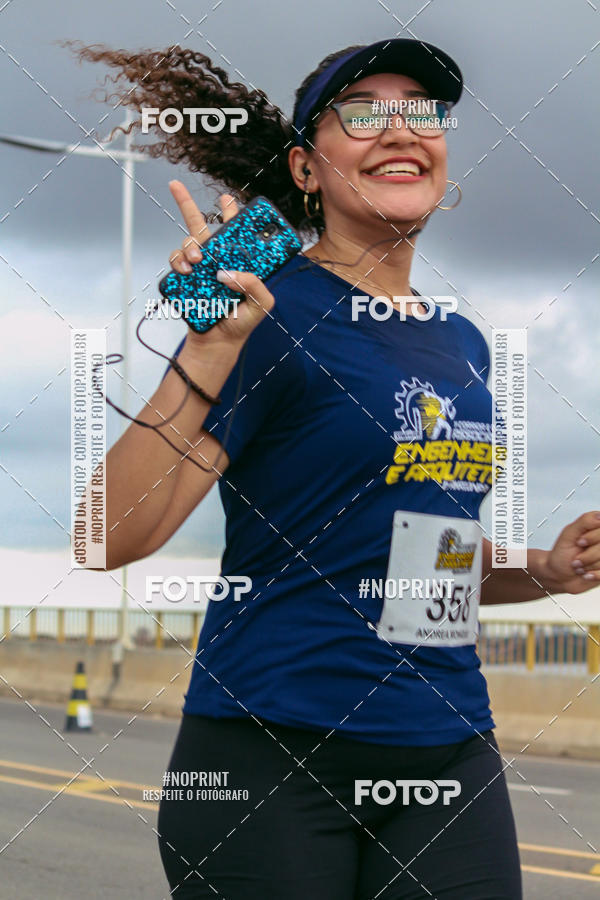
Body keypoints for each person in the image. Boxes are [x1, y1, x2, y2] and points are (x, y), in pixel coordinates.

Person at [74, 37, 600, 899]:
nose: (401, 131)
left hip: (445, 748)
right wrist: (205, 350)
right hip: (272, 754)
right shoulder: (266, 310)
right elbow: (106, 537)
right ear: (306, 168)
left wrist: (546, 570)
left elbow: (421, 557)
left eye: (421, 113)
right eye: (364, 114)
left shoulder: (461, 343)